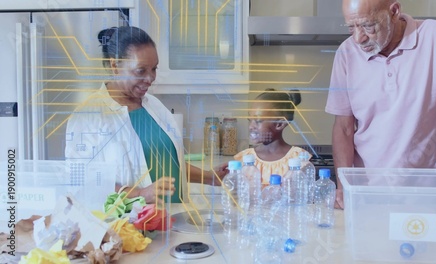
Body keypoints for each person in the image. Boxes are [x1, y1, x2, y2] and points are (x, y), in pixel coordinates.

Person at [325, 0, 436, 209]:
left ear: (394, 11)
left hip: (427, 196)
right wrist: (343, 186)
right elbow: (343, 128)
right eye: (352, 27)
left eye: (368, 26)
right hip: (367, 196)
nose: (358, 38)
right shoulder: (346, 54)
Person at [65, 26, 227, 205]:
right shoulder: (88, 117)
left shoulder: (154, 106)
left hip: (173, 219)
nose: (150, 78)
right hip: (127, 227)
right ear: (115, 66)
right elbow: (83, 181)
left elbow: (168, 163)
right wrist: (140, 194)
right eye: (141, 71)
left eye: (154, 69)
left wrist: (209, 177)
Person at [234, 88, 312, 186]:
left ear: (279, 124)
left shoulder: (299, 159)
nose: (250, 127)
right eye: (250, 120)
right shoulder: (245, 159)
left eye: (258, 121)